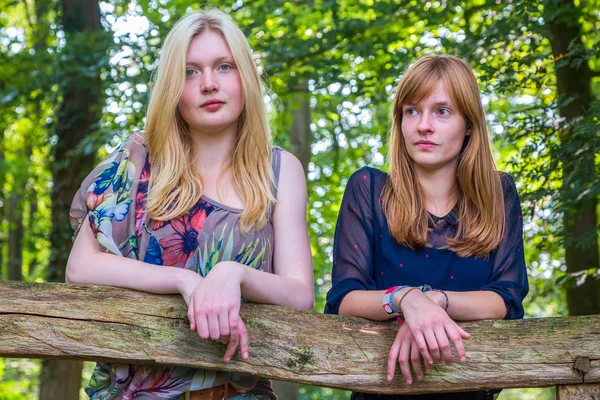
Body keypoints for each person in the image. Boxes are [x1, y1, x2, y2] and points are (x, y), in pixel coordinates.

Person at [67, 9, 313, 400]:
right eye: (190, 72)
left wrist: (234, 274)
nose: (209, 84)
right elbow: (80, 267)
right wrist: (185, 281)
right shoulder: (138, 158)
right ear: (171, 87)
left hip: (238, 389)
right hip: (134, 389)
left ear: (245, 77)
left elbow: (300, 294)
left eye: (224, 67)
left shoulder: (281, 169)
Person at [325, 55, 529, 400]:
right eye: (412, 111)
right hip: (382, 391)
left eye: (442, 111)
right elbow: (344, 299)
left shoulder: (499, 193)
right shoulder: (368, 189)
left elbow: (505, 300)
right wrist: (405, 299)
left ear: (468, 124)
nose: (424, 125)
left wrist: (431, 303)